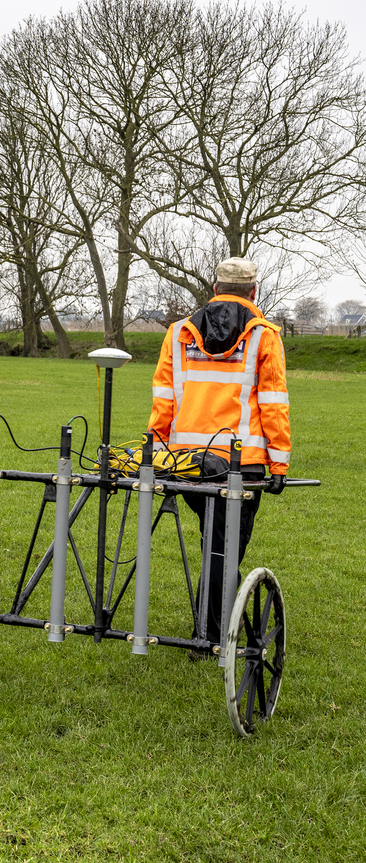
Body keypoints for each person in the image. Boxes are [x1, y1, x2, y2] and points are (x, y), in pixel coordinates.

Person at [147, 257, 291, 651]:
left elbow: (164, 398)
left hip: (186, 463)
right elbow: (273, 404)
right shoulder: (264, 336)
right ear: (253, 292)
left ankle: (209, 629)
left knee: (215, 541)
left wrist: (155, 455)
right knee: (223, 548)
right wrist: (278, 464)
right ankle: (210, 638)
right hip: (239, 465)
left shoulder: (179, 332)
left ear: (214, 289)